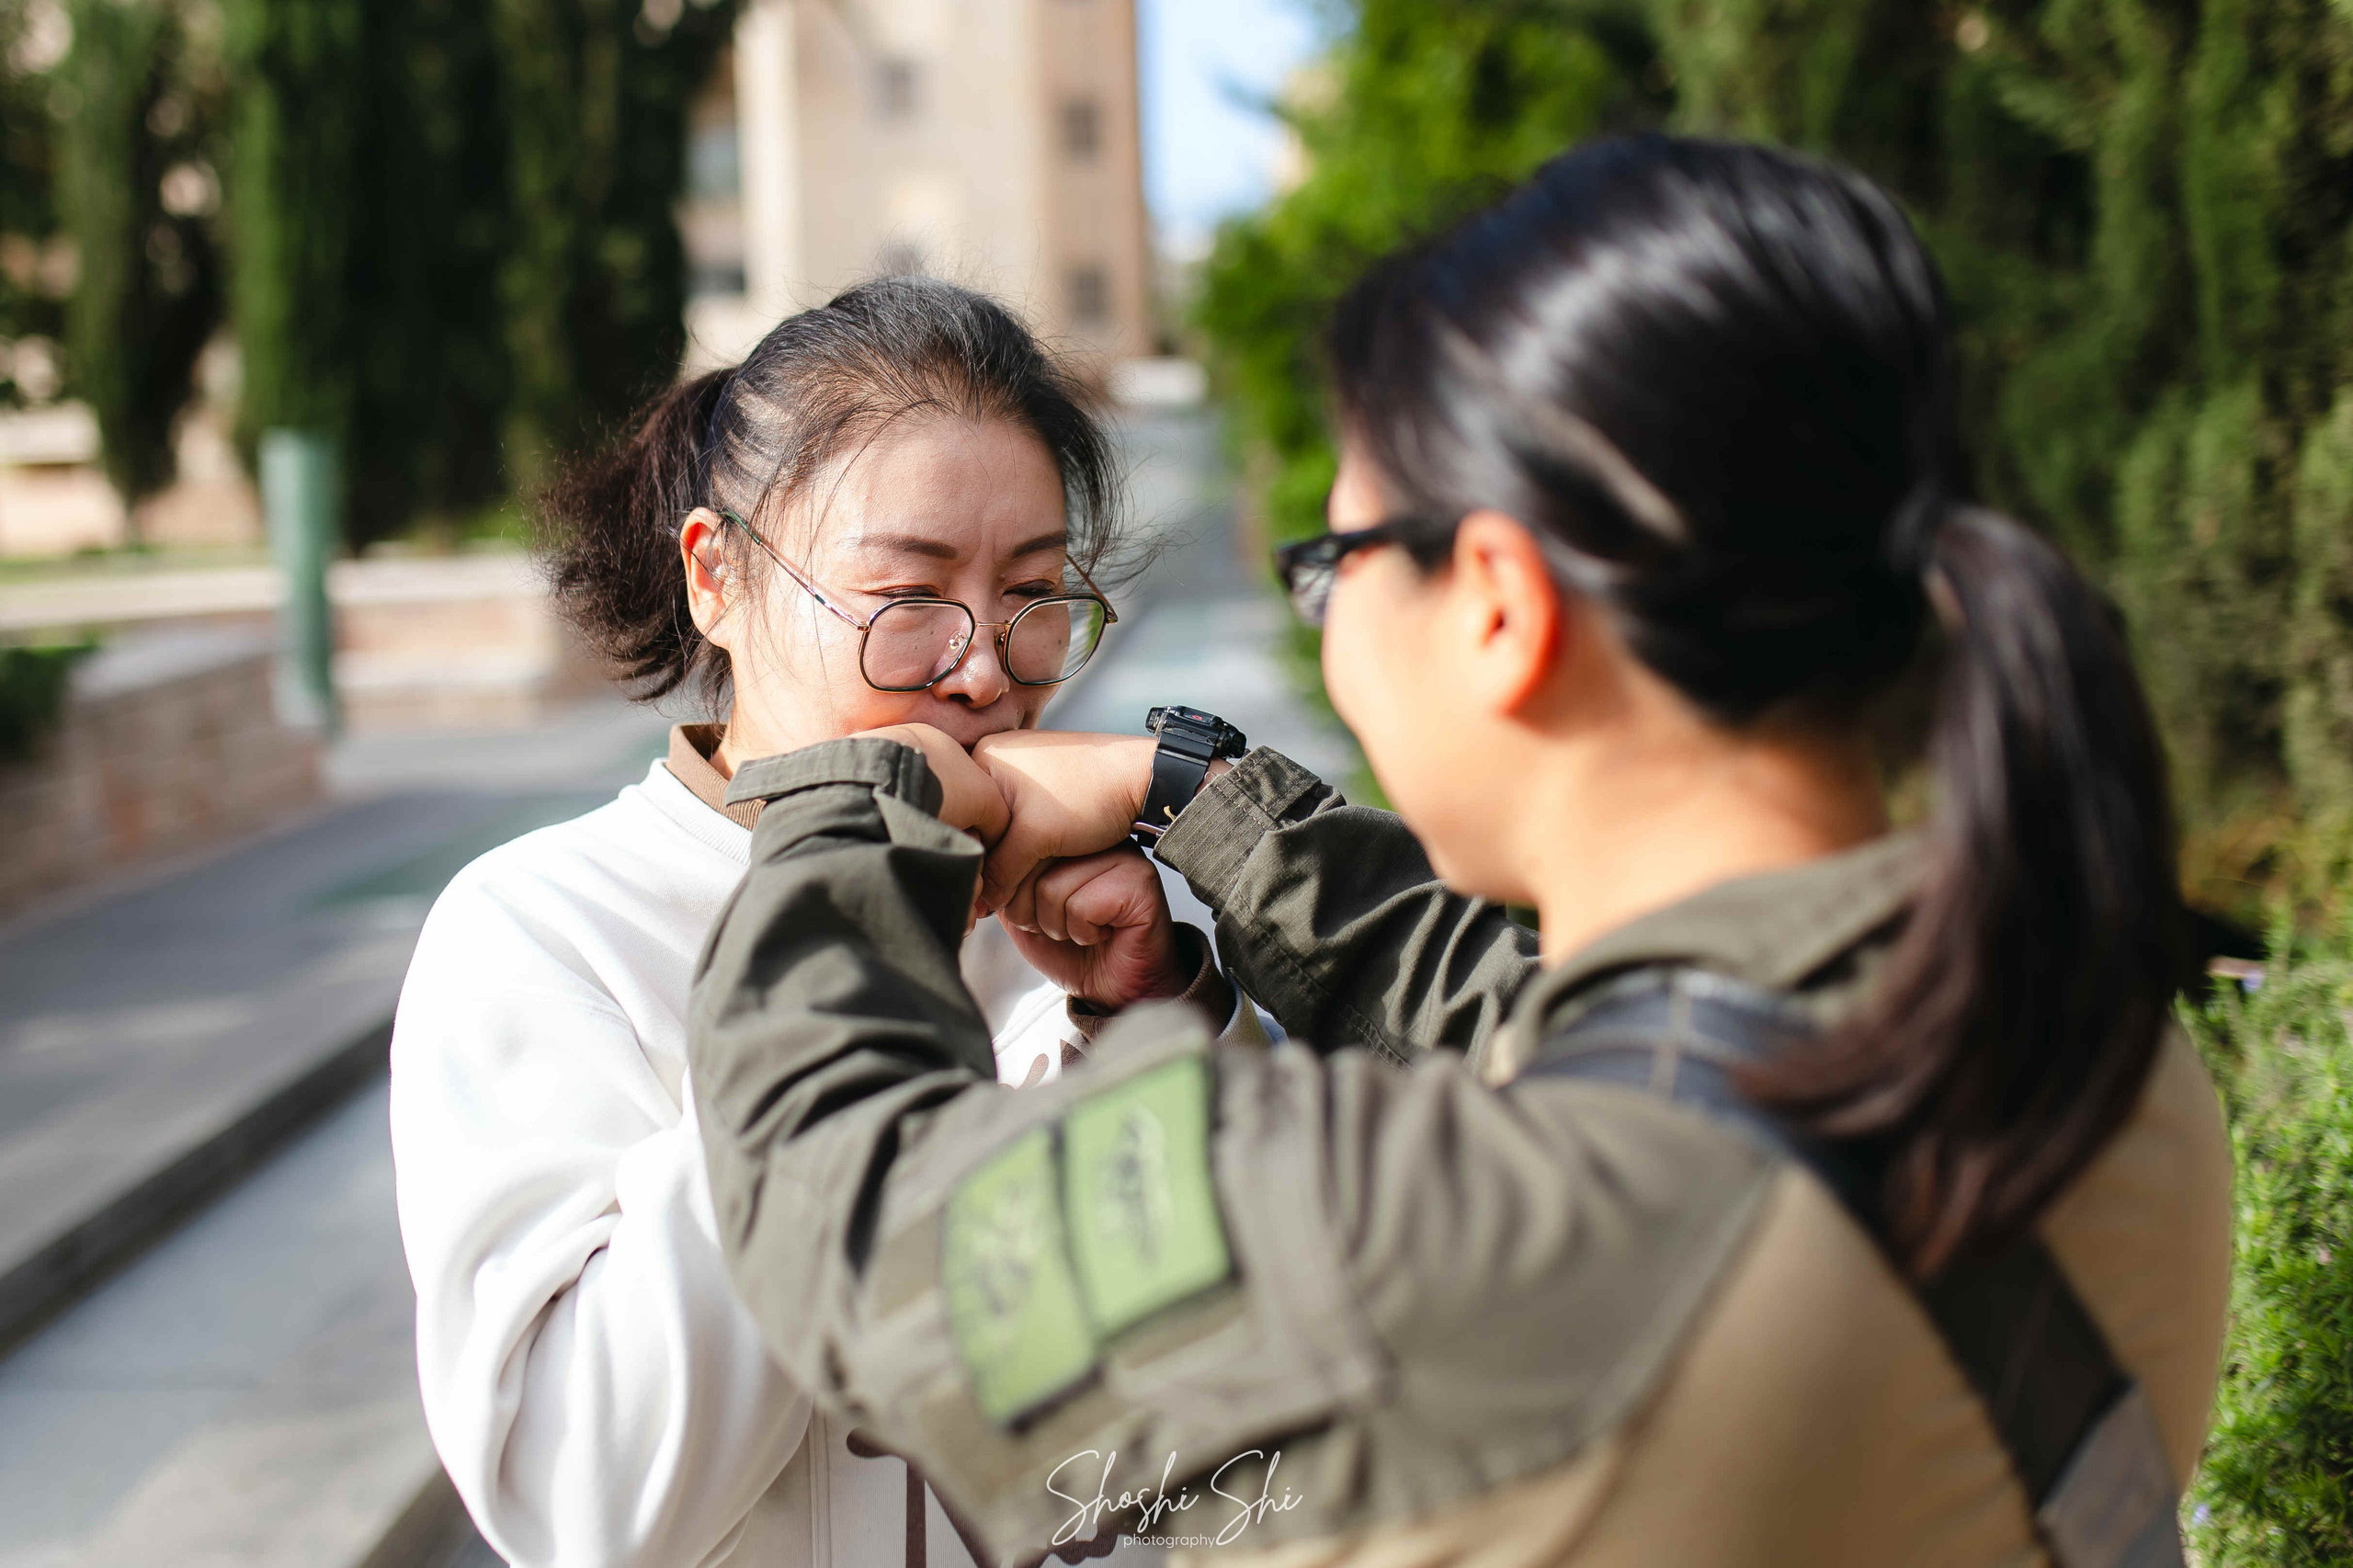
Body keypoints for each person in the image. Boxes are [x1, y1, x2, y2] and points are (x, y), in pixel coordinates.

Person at [682, 136, 2233, 1566]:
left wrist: (872, 797)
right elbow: (1589, 1027)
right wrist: (1194, 792)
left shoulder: (1436, 1231)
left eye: (1333, 561)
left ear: (1496, 604)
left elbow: (858, 1220)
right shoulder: (2089, 1060)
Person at [389, 278, 1245, 1568]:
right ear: (716, 576)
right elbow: (590, 1503)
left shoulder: (1068, 933)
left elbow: (1197, 1432)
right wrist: (850, 938)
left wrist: (1148, 1024)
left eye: (1033, 595)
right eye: (908, 597)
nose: (983, 669)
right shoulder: (546, 931)